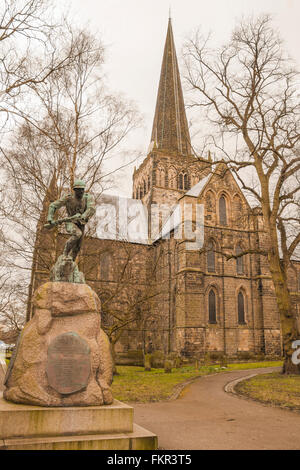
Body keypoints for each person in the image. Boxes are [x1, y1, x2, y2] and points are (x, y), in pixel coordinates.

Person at [46, 179, 96, 261]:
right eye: (79, 190)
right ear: (75, 190)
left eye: (82, 189)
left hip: (81, 224)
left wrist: (84, 215)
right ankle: (65, 254)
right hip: (70, 222)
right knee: (77, 234)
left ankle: (70, 264)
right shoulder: (68, 198)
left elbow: (91, 208)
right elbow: (53, 206)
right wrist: (50, 217)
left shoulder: (88, 197)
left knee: (78, 247)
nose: (81, 192)